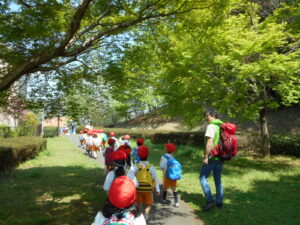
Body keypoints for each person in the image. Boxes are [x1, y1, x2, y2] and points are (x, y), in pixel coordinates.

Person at [200, 108, 224, 211]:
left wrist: (206, 157)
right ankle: (219, 202)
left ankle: (210, 200)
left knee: (202, 177)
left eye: (207, 116)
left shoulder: (211, 126)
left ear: (212, 116)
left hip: (212, 156)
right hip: (221, 156)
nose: (206, 118)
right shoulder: (221, 125)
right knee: (217, 179)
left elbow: (209, 142)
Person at [132, 145, 160, 221]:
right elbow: (155, 178)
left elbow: (130, 177)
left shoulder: (136, 166)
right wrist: (157, 189)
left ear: (138, 155)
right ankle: (146, 215)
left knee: (139, 203)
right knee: (149, 204)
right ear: (147, 155)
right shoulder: (151, 167)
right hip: (148, 189)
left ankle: (139, 217)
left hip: (138, 189)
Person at [159, 143, 180, 207]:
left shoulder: (163, 157)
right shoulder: (173, 157)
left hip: (166, 175)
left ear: (166, 149)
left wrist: (163, 169)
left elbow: (161, 166)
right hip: (174, 175)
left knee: (165, 187)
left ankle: (164, 199)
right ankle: (177, 202)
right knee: (174, 188)